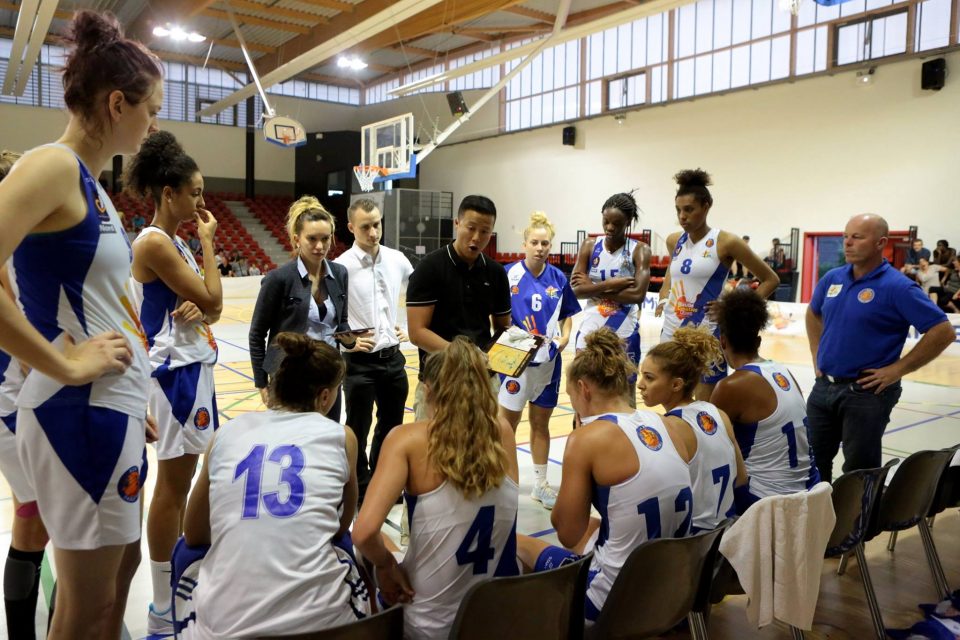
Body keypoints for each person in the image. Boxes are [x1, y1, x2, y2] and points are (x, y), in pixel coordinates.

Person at [0, 11, 161, 639]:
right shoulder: (52, 166)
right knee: (87, 609)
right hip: (78, 411)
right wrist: (63, 363)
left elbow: (101, 305)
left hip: (109, 407)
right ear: (117, 103)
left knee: (116, 583)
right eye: (150, 109)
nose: (153, 126)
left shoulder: (93, 186)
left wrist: (134, 390)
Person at [182, 333, 369, 638]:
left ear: (274, 388)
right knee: (346, 549)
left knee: (185, 554)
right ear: (325, 397)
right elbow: (340, 526)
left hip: (224, 630)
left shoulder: (225, 433)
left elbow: (193, 533)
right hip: (321, 625)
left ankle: (162, 619)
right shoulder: (341, 436)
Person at [514, 328, 694, 625]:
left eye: (571, 396)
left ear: (584, 389)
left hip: (613, 604)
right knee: (601, 525)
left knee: (516, 543)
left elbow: (567, 532)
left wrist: (578, 455)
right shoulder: (669, 424)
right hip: (675, 594)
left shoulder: (589, 438)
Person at [353, 337, 520, 640]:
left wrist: (387, 566)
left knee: (363, 554)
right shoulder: (503, 431)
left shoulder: (407, 439)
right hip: (494, 616)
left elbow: (363, 533)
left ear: (428, 391)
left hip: (429, 624)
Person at [125, 130, 223, 635]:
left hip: (191, 368)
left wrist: (202, 299)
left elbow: (209, 306)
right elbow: (215, 301)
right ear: (170, 194)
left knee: (182, 485)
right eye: (196, 192)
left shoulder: (174, 241)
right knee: (172, 485)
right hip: (173, 377)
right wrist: (208, 247)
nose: (203, 202)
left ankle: (177, 589)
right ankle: (163, 604)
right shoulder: (156, 243)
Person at [806, 214, 954, 481]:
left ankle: (860, 523)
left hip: (867, 392)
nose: (847, 243)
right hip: (823, 388)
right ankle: (820, 521)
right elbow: (813, 313)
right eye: (845, 236)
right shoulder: (832, 279)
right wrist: (816, 355)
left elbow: (941, 331)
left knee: (860, 471)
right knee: (814, 464)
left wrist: (897, 370)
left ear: (880, 243)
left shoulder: (898, 287)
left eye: (857, 237)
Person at [656, 169, 779, 401]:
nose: (682, 216)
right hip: (672, 329)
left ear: (706, 206)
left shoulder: (726, 242)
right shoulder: (673, 241)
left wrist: (733, 313)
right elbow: (670, 276)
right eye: (678, 210)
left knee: (706, 411)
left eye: (689, 209)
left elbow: (771, 279)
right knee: (670, 400)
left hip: (708, 333)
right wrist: (663, 297)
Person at [249, 195, 372, 422]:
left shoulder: (340, 273)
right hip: (288, 377)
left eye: (325, 239)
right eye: (312, 239)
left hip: (328, 376)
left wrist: (350, 339)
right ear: (297, 239)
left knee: (325, 440)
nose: (320, 246)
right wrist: (261, 382)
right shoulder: (279, 279)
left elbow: (340, 323)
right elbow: (257, 333)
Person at [0, 152, 51, 640]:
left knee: (30, 514)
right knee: (37, 516)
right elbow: (20, 333)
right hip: (10, 398)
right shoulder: (7, 243)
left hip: (14, 395)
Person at [710, 289, 819, 514]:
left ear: (722, 341)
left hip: (767, 501)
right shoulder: (783, 371)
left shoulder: (731, 386)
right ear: (758, 340)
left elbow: (708, 445)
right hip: (811, 490)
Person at [334, 198, 413, 502]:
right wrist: (347, 340)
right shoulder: (341, 267)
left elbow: (420, 296)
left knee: (392, 428)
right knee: (357, 429)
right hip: (359, 364)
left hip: (393, 359)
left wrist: (409, 329)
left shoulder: (398, 260)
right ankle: (361, 489)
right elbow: (330, 312)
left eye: (377, 224)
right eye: (365, 226)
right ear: (351, 227)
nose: (373, 232)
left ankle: (384, 483)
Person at [499, 211, 579, 509]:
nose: (540, 248)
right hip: (515, 361)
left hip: (548, 362)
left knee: (540, 423)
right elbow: (496, 315)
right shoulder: (508, 274)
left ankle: (541, 483)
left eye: (545, 243)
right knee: (506, 424)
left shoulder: (558, 278)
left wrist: (565, 337)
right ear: (525, 243)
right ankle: (505, 481)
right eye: (535, 242)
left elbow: (568, 314)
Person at [406, 195, 511, 420]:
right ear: (457, 223)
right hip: (439, 380)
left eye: (485, 231)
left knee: (481, 452)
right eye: (470, 228)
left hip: (482, 381)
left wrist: (516, 349)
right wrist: (464, 358)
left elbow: (503, 328)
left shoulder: (496, 273)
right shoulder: (429, 268)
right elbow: (417, 333)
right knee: (431, 452)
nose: (476, 237)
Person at [638, 328, 745, 531]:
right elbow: (741, 477)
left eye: (649, 378)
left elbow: (656, 497)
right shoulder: (717, 413)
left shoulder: (669, 427)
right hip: (728, 531)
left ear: (676, 384)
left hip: (693, 539)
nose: (640, 385)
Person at [570, 192, 651, 406]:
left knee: (625, 393)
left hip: (623, 331)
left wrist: (593, 287)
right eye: (606, 221)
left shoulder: (640, 250)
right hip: (590, 330)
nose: (610, 227)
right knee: (583, 390)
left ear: (628, 222)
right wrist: (611, 285)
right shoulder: (589, 245)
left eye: (617, 223)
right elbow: (576, 290)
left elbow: (637, 295)